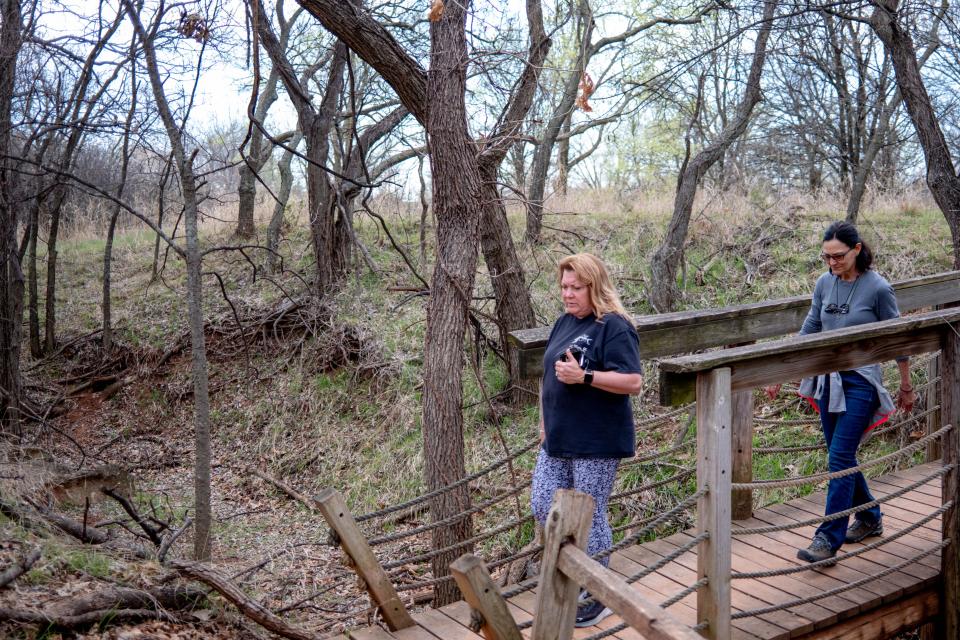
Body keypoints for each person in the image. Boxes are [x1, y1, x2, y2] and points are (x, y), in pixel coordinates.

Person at [765, 221, 916, 563]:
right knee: (840, 455)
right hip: (827, 381)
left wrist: (906, 385)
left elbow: (899, 339)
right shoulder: (823, 283)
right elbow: (811, 327)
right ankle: (869, 517)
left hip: (861, 381)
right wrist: (781, 366)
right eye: (826, 257)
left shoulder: (878, 288)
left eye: (838, 256)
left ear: (857, 249)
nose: (832, 263)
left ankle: (827, 539)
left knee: (840, 458)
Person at [530, 253, 643, 627]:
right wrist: (545, 421)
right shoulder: (563, 322)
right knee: (544, 504)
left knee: (589, 518)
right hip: (558, 437)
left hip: (596, 439)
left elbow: (633, 382)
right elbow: (547, 375)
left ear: (594, 286)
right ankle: (572, 576)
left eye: (576, 287)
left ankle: (598, 591)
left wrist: (586, 377)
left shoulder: (614, 326)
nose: (567, 294)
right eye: (564, 286)